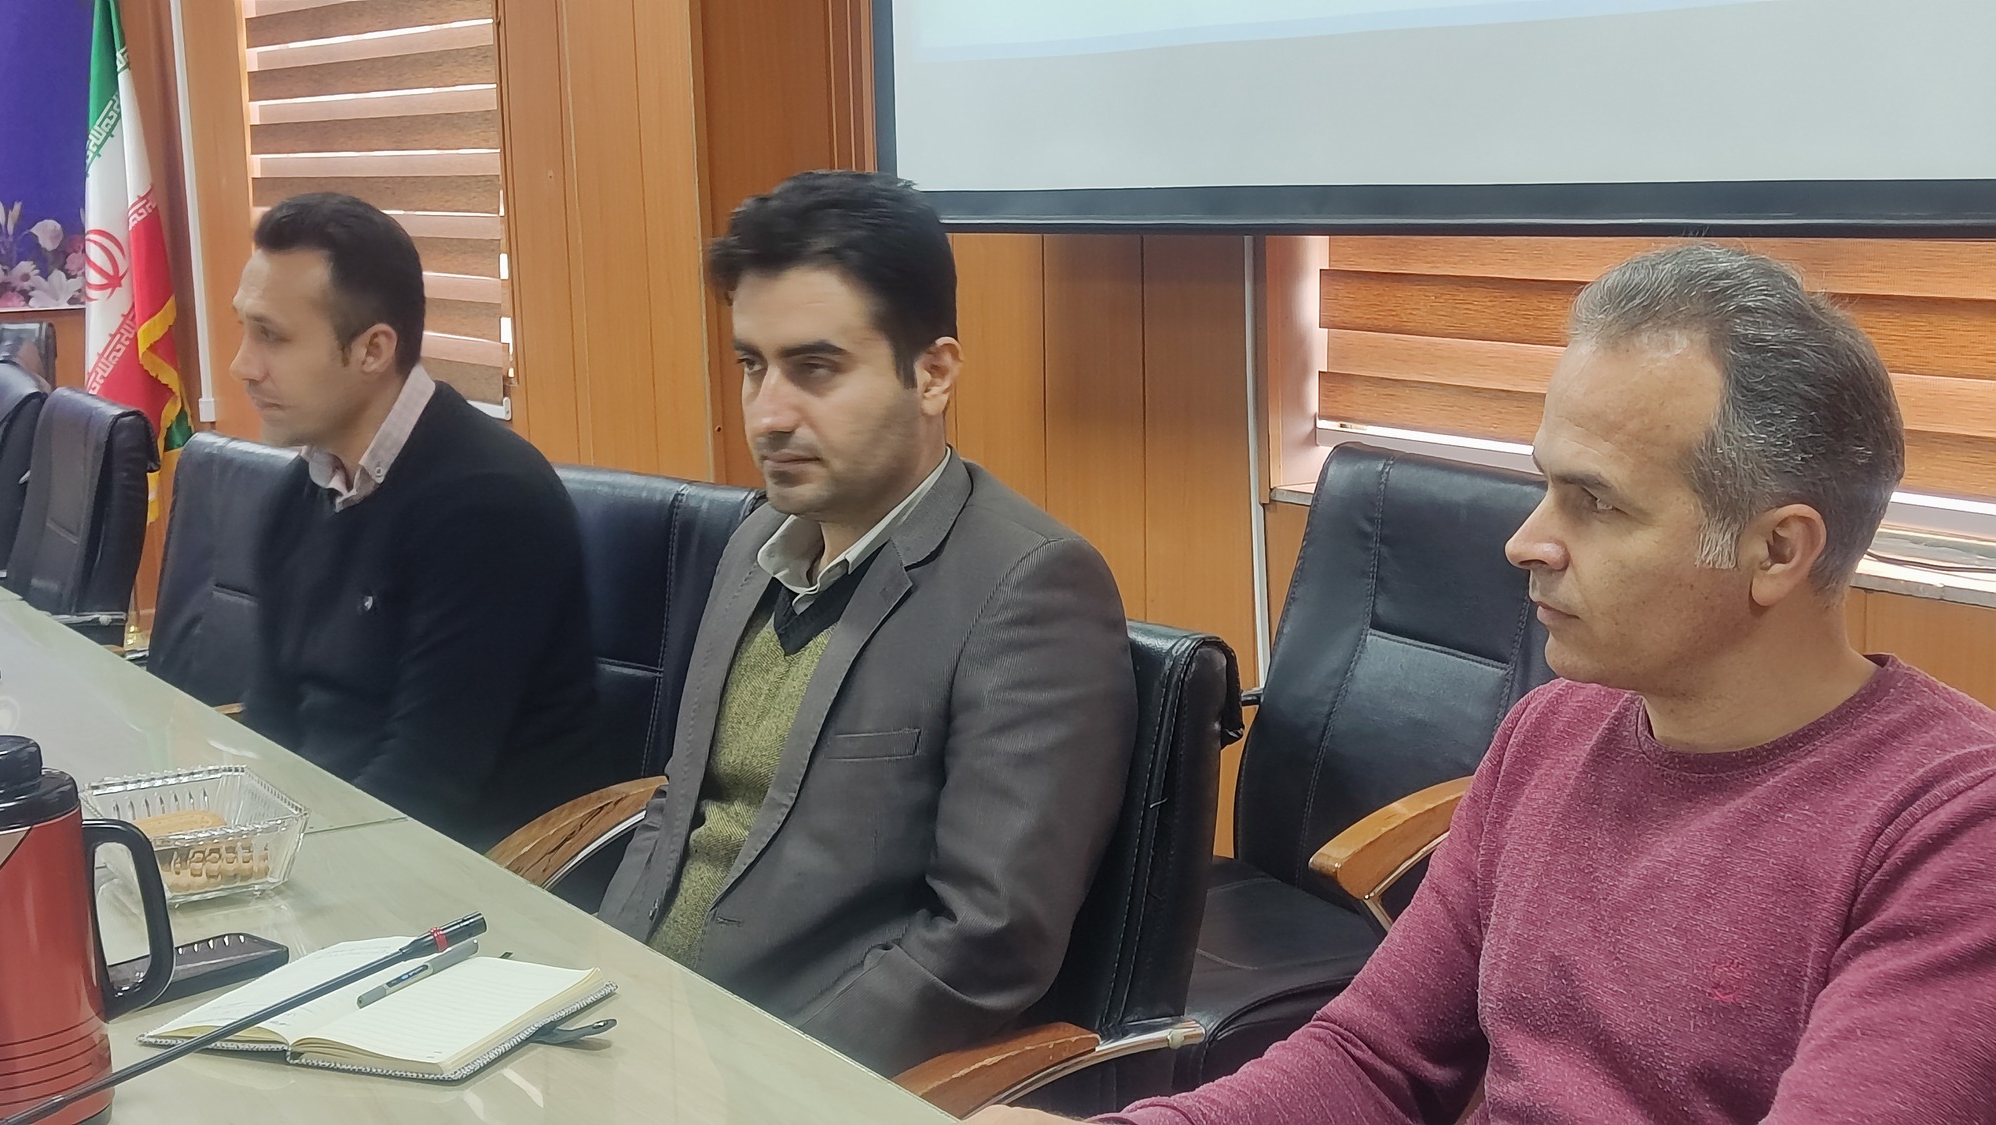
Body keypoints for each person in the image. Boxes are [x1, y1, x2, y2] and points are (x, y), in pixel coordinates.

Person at [978, 244, 1996, 1124]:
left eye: (1596, 503)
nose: (1525, 542)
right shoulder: (1550, 732)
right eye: (1546, 484)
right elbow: (1375, 1060)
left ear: (1775, 551)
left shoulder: (1953, 830)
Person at [597, 171, 1137, 1075]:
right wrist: (591, 988)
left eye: (815, 368)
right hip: (631, 1035)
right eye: (752, 365)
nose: (768, 413)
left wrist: (761, 1077)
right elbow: (677, 809)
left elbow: (983, 943)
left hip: (786, 1072)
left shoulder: (1030, 590)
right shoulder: (755, 542)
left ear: (932, 373)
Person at [234, 192, 597, 849]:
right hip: (329, 839)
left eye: (272, 336)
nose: (243, 366)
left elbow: (429, 781)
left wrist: (281, 865)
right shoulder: (298, 492)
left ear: (373, 349)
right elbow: (271, 725)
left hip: (469, 868)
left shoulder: (487, 505)